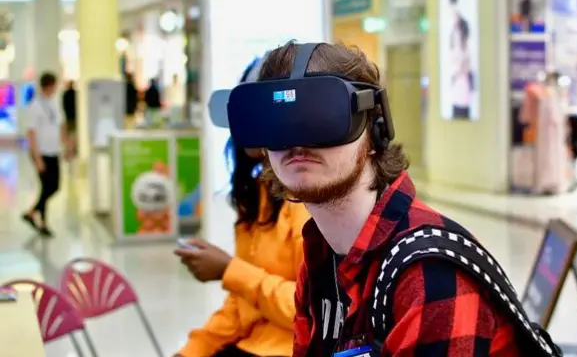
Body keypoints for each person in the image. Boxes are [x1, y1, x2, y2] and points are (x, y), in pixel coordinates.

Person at [254, 42, 521, 356]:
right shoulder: (321, 256)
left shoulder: (430, 277)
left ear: (374, 131)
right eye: (279, 124)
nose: (296, 143)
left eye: (323, 119)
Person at [173, 139, 310, 357]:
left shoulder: (306, 203)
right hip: (251, 343)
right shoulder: (256, 192)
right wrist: (195, 349)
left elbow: (309, 311)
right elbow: (240, 305)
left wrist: (229, 270)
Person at [22, 72, 71, 237]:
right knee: (46, 187)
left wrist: (67, 146)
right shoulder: (35, 106)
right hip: (41, 153)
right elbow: (31, 133)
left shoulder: (54, 104)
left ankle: (31, 213)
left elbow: (61, 127)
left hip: (53, 150)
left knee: (54, 186)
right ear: (48, 86)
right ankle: (42, 223)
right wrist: (37, 158)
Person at [449, 0, 472, 119]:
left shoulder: (463, 29)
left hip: (462, 83)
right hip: (456, 83)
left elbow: (466, 62)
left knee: (462, 110)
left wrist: (459, 70)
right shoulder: (453, 32)